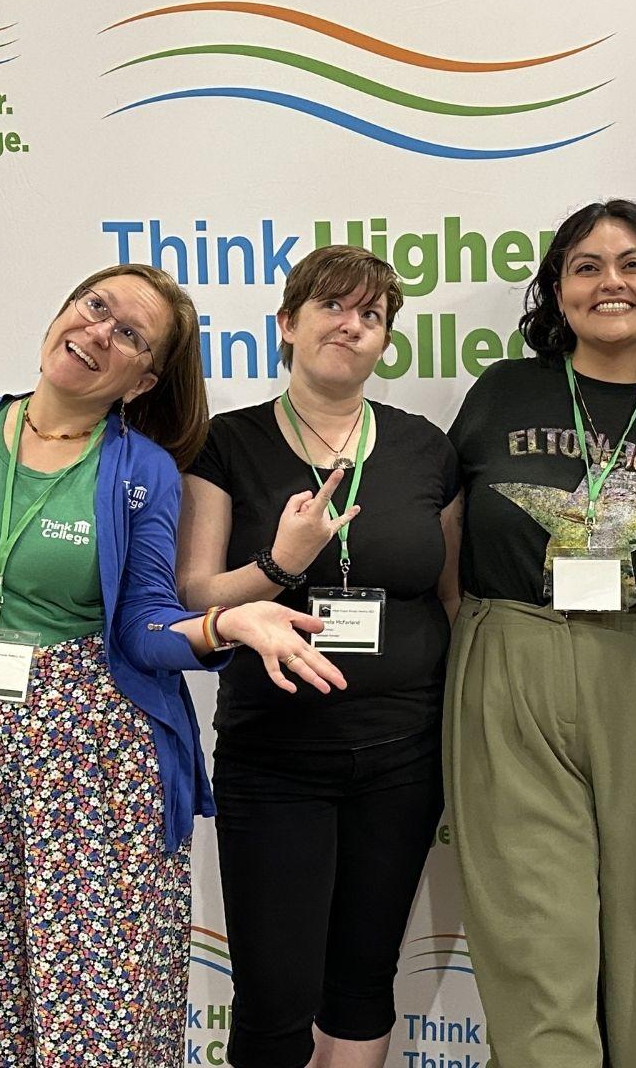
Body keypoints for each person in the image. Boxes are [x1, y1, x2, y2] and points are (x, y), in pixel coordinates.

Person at [0, 263, 345, 1067]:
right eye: (94, 307)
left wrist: (228, 621)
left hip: (95, 768)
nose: (96, 333)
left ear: (141, 380)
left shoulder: (138, 470)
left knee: (100, 1031)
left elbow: (147, 625)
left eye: (128, 335)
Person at [445, 199, 636, 1068]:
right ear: (558, 291)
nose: (611, 281)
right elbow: (451, 527)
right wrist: (481, 635)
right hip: (510, 655)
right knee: (538, 942)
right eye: (585, 265)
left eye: (633, 263)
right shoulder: (502, 391)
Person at [177, 244, 461, 1068]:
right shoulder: (227, 443)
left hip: (405, 754)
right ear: (287, 324)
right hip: (277, 758)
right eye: (333, 306)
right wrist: (281, 563)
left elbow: (448, 598)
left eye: (371, 315)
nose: (352, 325)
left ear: (386, 340)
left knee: (364, 980)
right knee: (272, 998)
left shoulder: (424, 449)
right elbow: (198, 594)